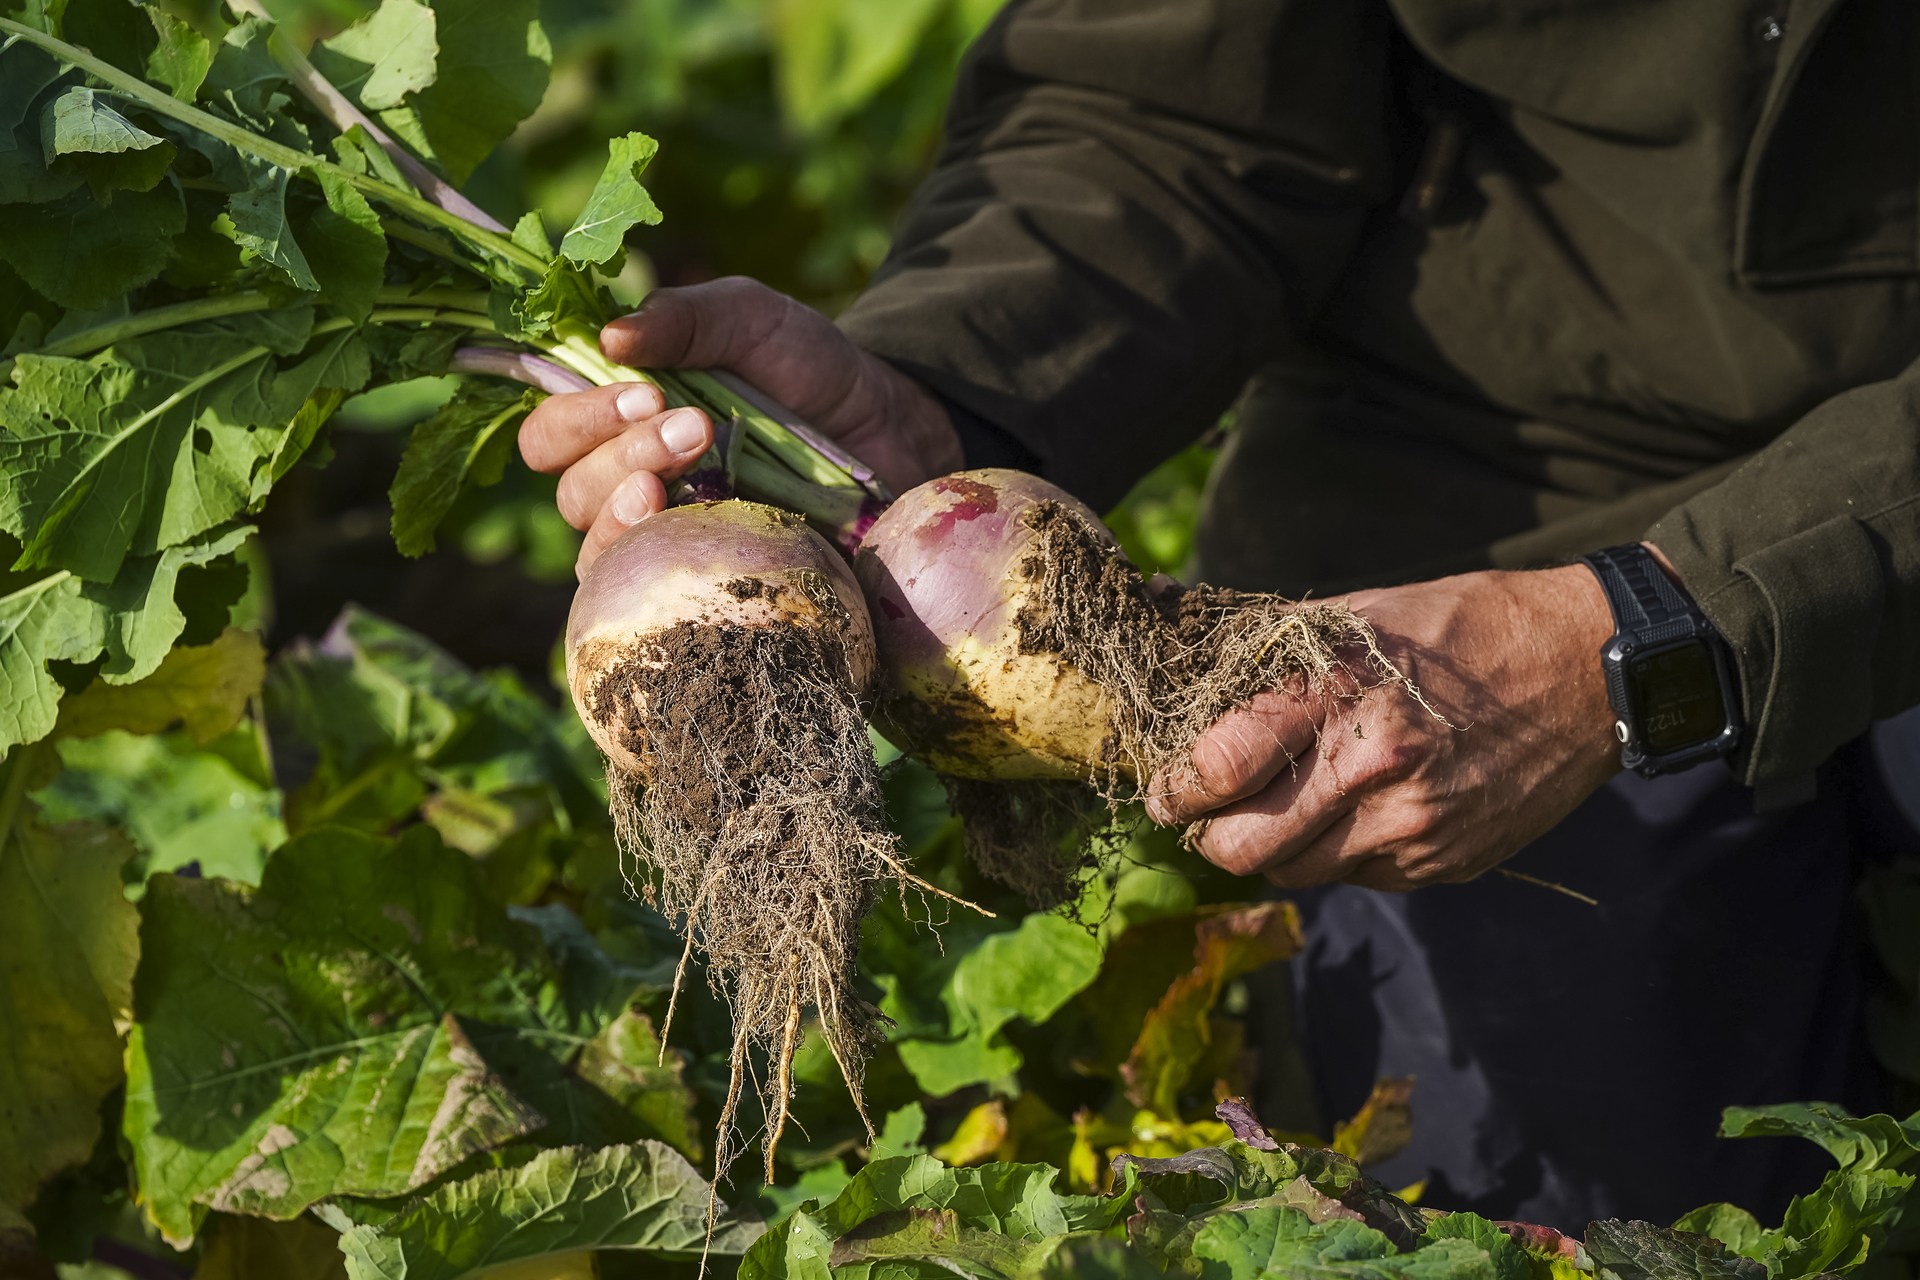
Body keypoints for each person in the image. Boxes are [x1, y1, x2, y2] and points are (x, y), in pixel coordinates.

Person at [518, 0, 1920, 1230]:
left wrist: (1659, 630)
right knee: (1547, 1200)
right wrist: (947, 394)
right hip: (1474, 488)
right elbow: (1164, 103)